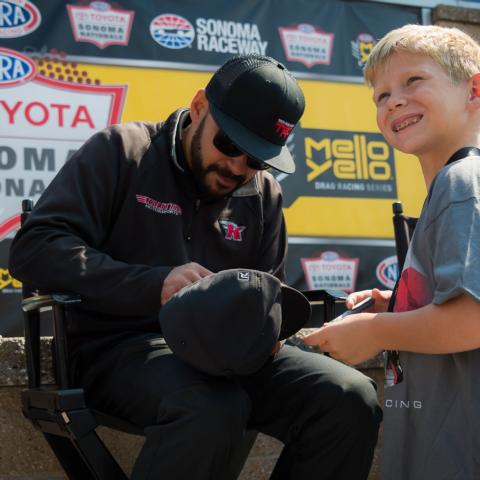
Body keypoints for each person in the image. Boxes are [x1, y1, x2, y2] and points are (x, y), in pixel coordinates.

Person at [9, 54, 381, 480]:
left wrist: (269, 330)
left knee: (349, 395)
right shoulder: (123, 151)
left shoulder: (263, 194)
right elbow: (34, 249)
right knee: (211, 405)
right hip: (116, 350)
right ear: (200, 106)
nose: (238, 168)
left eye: (257, 160)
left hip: (229, 358)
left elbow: (268, 295)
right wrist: (153, 285)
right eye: (230, 144)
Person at [304, 25, 480, 480]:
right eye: (381, 96)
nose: (394, 102)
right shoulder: (452, 187)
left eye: (413, 81)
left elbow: (471, 320)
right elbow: (453, 309)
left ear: (474, 89)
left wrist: (375, 331)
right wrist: (397, 307)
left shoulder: (463, 183)